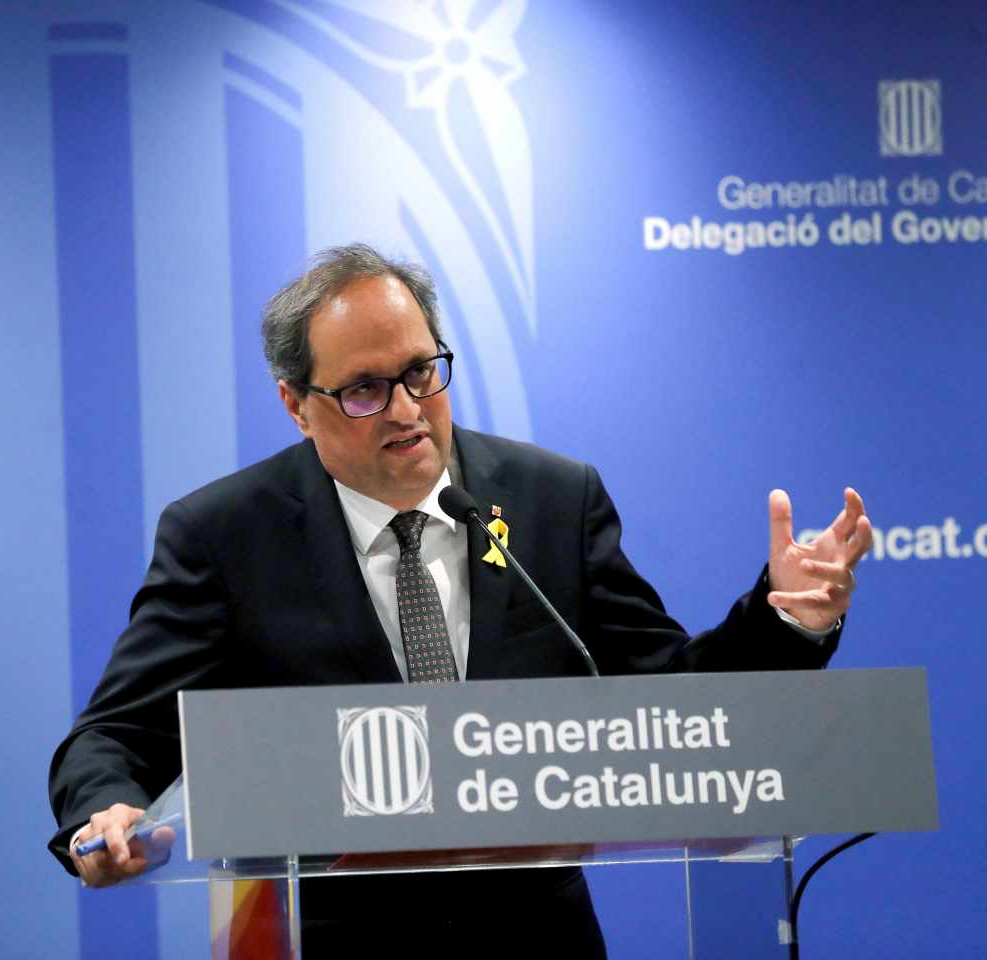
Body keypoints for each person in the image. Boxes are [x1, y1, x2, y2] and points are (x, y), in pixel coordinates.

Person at [47, 244, 870, 954]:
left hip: (537, 943)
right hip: (327, 944)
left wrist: (787, 618)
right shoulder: (224, 536)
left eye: (419, 372)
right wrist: (106, 808)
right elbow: (118, 732)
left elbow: (670, 706)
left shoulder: (552, 499)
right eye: (364, 390)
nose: (406, 410)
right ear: (296, 404)